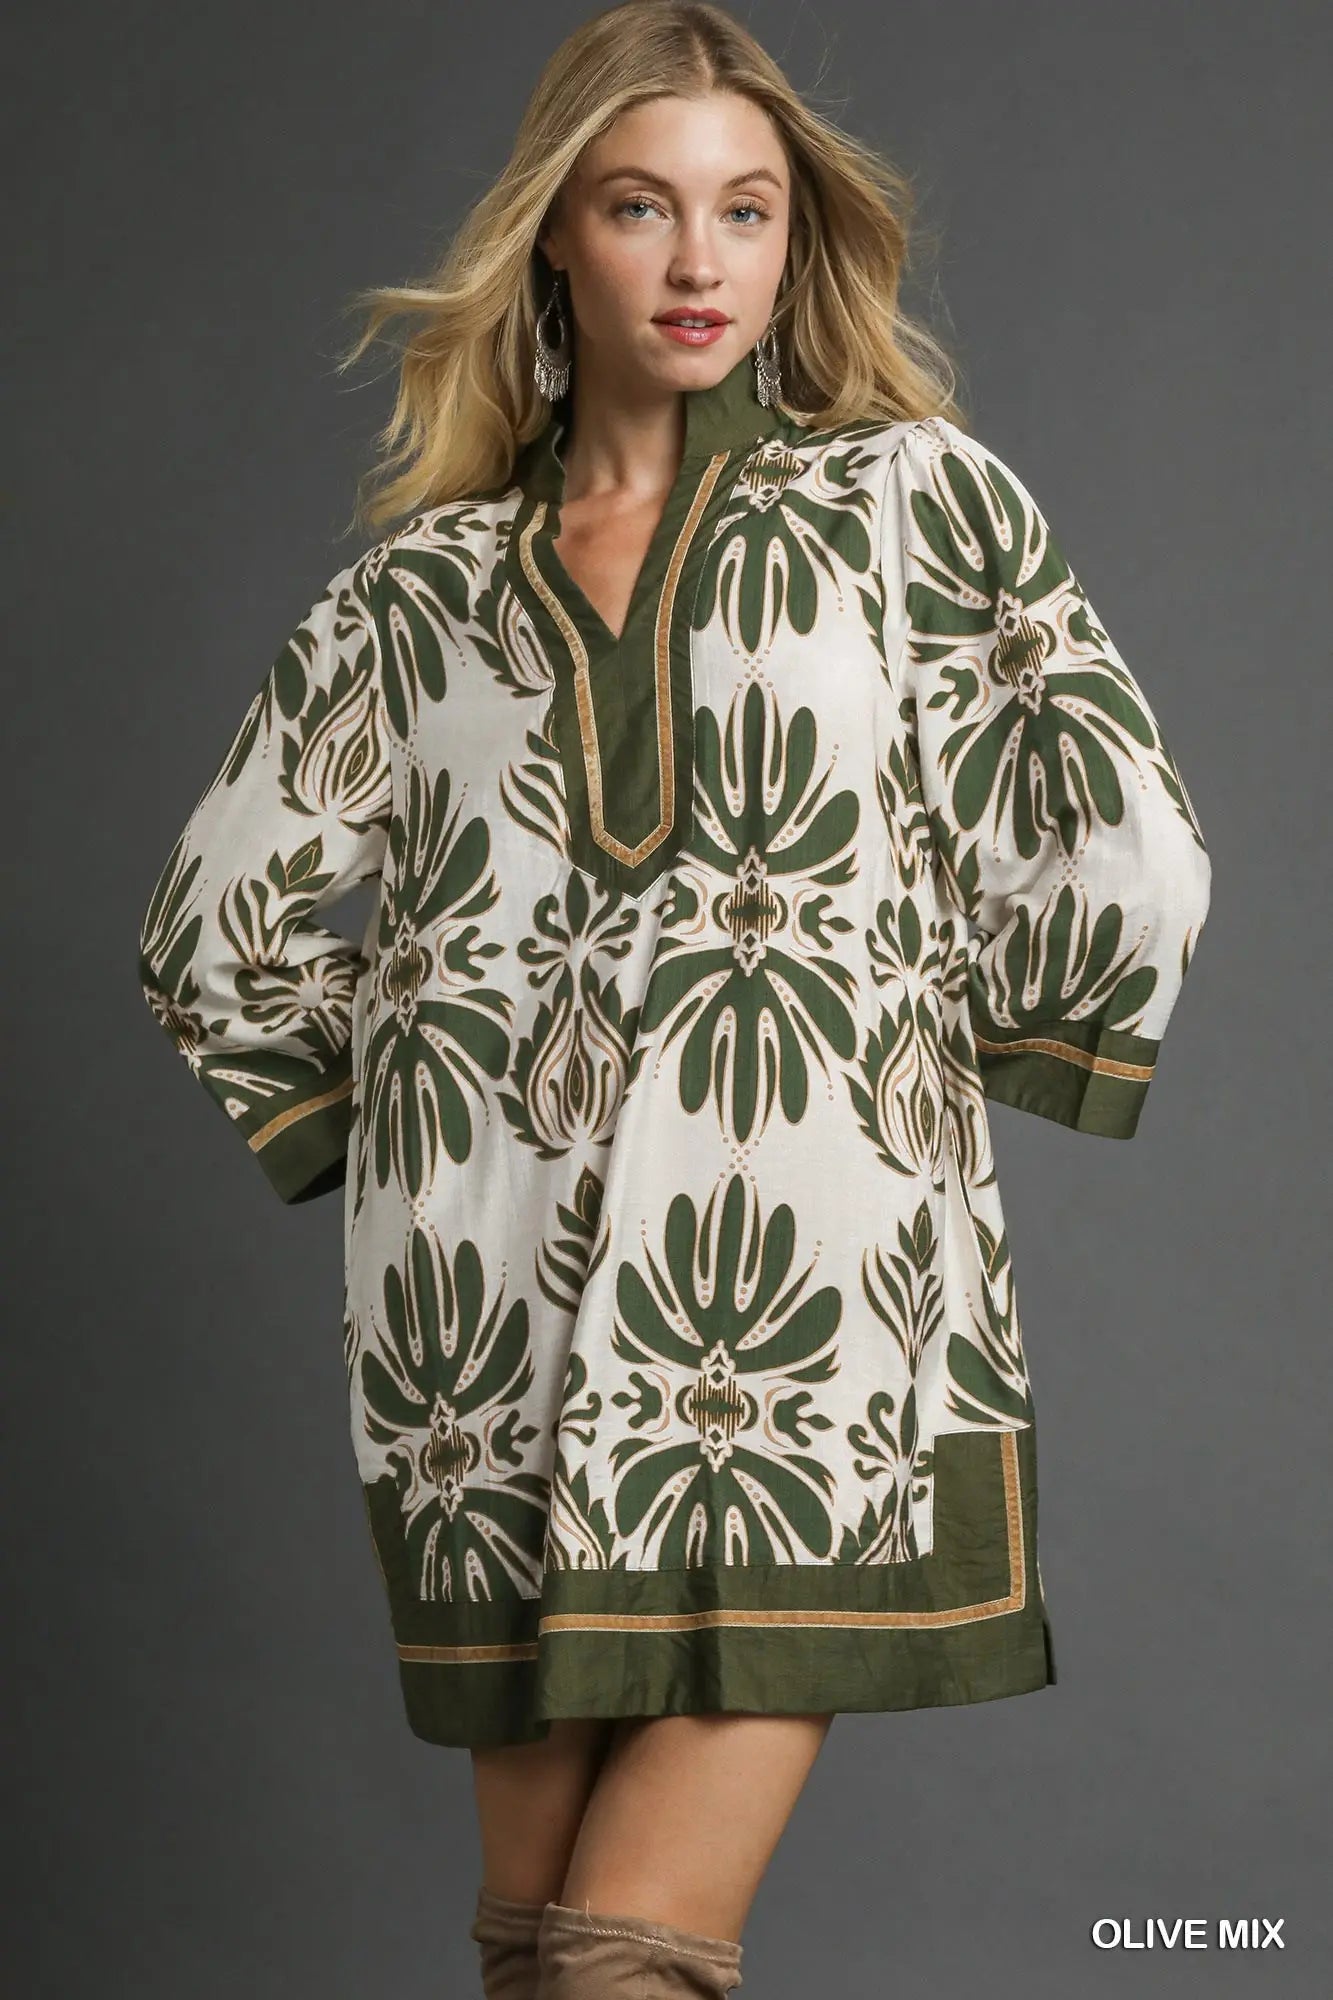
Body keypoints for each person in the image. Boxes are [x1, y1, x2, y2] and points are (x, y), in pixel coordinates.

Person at [136, 3, 1213, 1994]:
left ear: (799, 240)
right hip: (486, 1340)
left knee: (622, 1954)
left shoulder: (910, 506)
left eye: (746, 209)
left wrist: (894, 1061)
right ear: (557, 233)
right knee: (539, 1954)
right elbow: (214, 929)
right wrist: (432, 1111)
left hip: (803, 1320)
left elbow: (1116, 835)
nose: (700, 259)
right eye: (642, 207)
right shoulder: (417, 593)